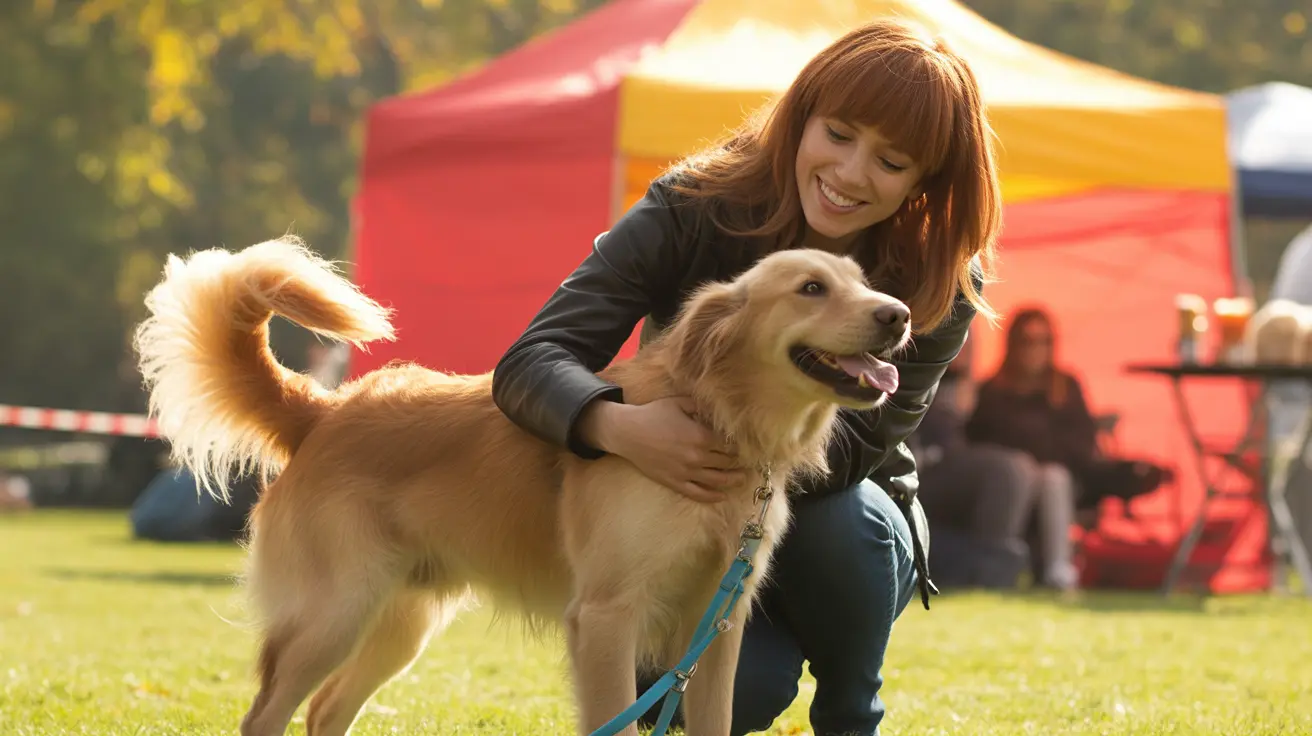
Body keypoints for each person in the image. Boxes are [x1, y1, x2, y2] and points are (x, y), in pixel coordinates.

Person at [491, 19, 1002, 736]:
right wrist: (621, 426)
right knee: (744, 693)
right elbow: (530, 362)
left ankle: (853, 713)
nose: (852, 173)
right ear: (802, 117)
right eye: (840, 133)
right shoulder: (691, 205)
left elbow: (856, 451)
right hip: (668, 490)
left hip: (832, 515)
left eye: (892, 162)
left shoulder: (939, 279)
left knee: (847, 526)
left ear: (925, 181)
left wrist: (720, 453)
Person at [913, 331, 1045, 590]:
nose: (966, 351)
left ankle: (1042, 571)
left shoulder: (966, 390)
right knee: (1009, 470)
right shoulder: (910, 374)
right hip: (915, 471)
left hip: (953, 474)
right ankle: (992, 573)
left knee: (1036, 472)